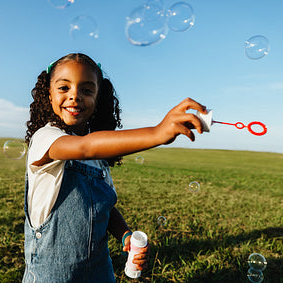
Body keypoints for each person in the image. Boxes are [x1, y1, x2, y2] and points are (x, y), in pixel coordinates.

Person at [23, 53, 207, 282]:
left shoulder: (98, 156)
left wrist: (125, 234)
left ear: (98, 100)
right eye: (64, 88)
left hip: (99, 269)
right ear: (49, 95)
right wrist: (157, 133)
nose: (74, 96)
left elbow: (104, 206)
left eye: (87, 90)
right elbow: (84, 147)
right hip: (53, 273)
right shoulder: (47, 138)